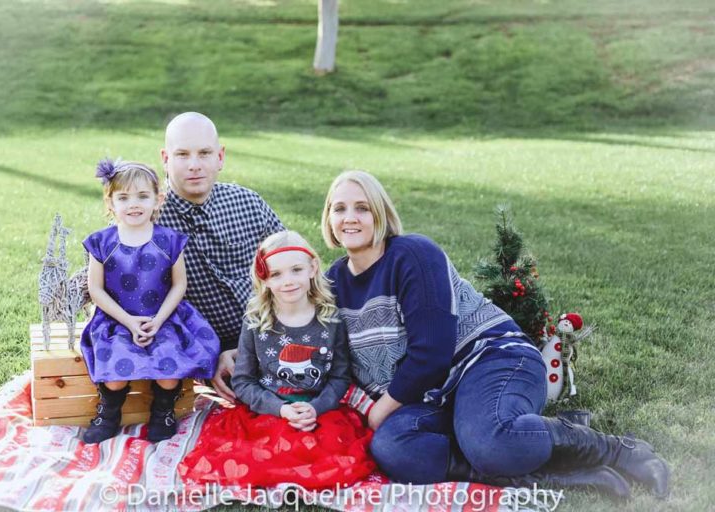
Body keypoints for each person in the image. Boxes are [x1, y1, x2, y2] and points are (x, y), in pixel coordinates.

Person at [321, 170, 670, 500]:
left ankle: (615, 449)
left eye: (362, 207)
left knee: (490, 442)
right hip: (432, 397)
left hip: (491, 359)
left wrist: (379, 412)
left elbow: (431, 354)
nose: (350, 217)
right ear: (329, 221)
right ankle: (552, 475)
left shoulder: (412, 255)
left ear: (380, 214)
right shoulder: (333, 283)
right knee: (392, 448)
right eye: (340, 208)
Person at [178, 231, 375, 489]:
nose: (288, 281)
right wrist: (280, 409)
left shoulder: (331, 320)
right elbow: (244, 381)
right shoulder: (256, 321)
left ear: (312, 268)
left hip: (317, 409)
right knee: (253, 454)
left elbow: (339, 377)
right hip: (268, 410)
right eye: (276, 274)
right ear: (264, 279)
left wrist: (316, 407)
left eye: (296, 269)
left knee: (333, 453)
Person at [80, 159, 220, 444]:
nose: (134, 204)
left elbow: (180, 284)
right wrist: (129, 321)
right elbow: (95, 290)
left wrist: (158, 320)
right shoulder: (101, 242)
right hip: (117, 320)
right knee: (114, 372)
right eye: (123, 197)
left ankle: (163, 411)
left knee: (169, 368)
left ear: (158, 199)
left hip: (163, 317)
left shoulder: (169, 240)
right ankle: (109, 413)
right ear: (110, 202)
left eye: (143, 196)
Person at [157, 112, 284, 402]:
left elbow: (295, 271)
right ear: (165, 158)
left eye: (204, 153)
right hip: (198, 346)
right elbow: (110, 277)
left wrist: (260, 344)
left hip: (269, 332)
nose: (194, 165)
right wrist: (207, 358)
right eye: (182, 154)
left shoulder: (247, 203)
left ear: (220, 157)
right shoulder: (148, 219)